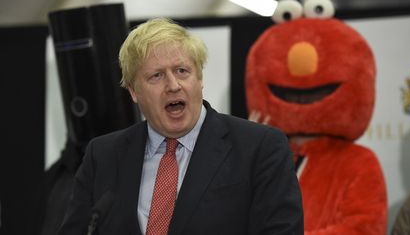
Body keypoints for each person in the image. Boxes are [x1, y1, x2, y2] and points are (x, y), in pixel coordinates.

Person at [58, 17, 303, 235]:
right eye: (156, 76)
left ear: (199, 78)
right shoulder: (103, 155)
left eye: (182, 71)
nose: (173, 85)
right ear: (133, 91)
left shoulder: (259, 147)